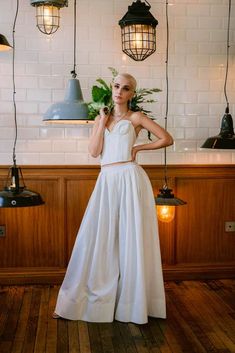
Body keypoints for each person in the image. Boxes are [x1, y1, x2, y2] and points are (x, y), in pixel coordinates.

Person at [53, 73, 173, 324]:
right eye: (117, 86)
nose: (120, 91)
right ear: (112, 88)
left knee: (131, 238)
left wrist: (139, 148)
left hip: (130, 178)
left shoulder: (136, 118)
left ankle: (132, 303)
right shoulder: (101, 117)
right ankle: (88, 300)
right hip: (106, 180)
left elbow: (166, 138)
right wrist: (100, 121)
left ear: (132, 94)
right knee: (97, 236)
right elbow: (95, 152)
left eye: (126, 88)